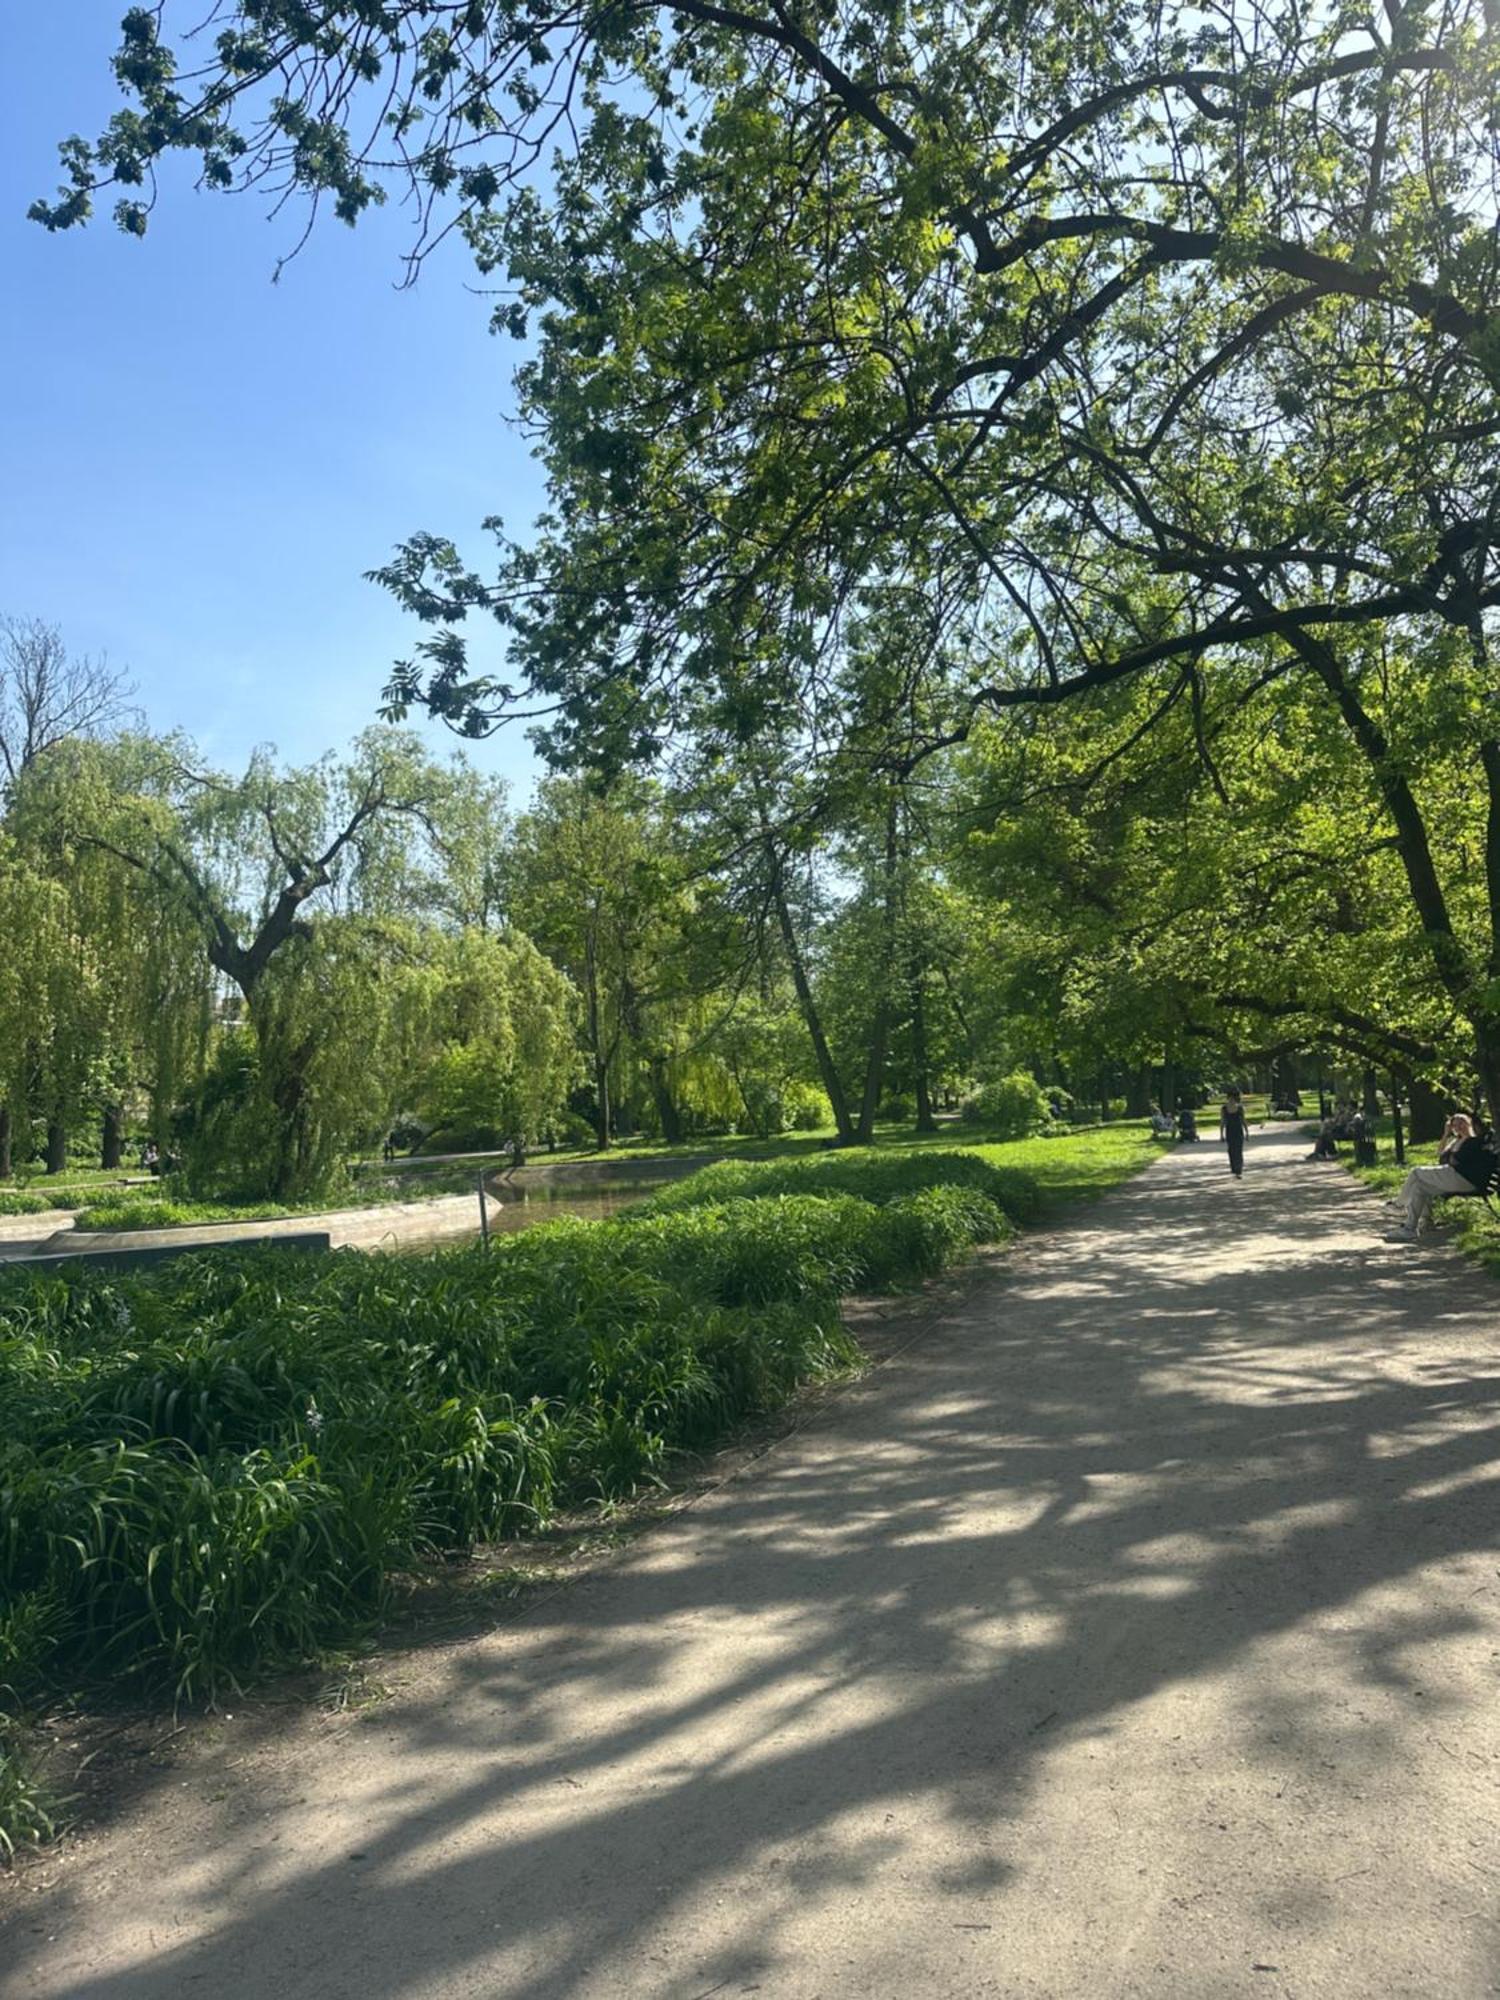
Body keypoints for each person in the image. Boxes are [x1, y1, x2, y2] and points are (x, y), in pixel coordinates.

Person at [1386, 1112, 1491, 1239]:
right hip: (1455, 1176)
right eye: (1455, 1125)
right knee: (1420, 1187)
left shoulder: (1474, 1141)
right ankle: (1413, 1227)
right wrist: (1446, 1135)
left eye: (1461, 1122)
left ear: (1469, 1123)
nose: (1459, 1126)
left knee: (1416, 1172)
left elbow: (1457, 1160)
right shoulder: (1457, 1141)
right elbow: (1441, 1155)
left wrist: (1451, 1158)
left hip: (1463, 1180)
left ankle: (1399, 1205)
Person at [1219, 1087, 1249, 1178]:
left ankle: (1238, 1169)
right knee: (1231, 1150)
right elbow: (1222, 1122)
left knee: (1238, 1150)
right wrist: (1221, 1134)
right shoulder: (1224, 1108)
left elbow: (1243, 1121)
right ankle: (1235, 1168)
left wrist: (1247, 1132)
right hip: (1230, 1130)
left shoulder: (1240, 1108)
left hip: (1237, 1130)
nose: (1231, 1099)